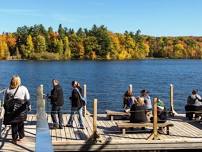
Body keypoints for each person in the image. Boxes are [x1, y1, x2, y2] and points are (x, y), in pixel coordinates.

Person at [3, 75, 31, 144]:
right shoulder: (24, 88)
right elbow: (27, 99)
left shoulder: (8, 90)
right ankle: (21, 137)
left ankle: (14, 139)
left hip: (12, 111)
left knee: (14, 124)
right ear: (19, 81)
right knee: (21, 123)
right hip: (21, 110)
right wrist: (29, 106)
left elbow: (5, 101)